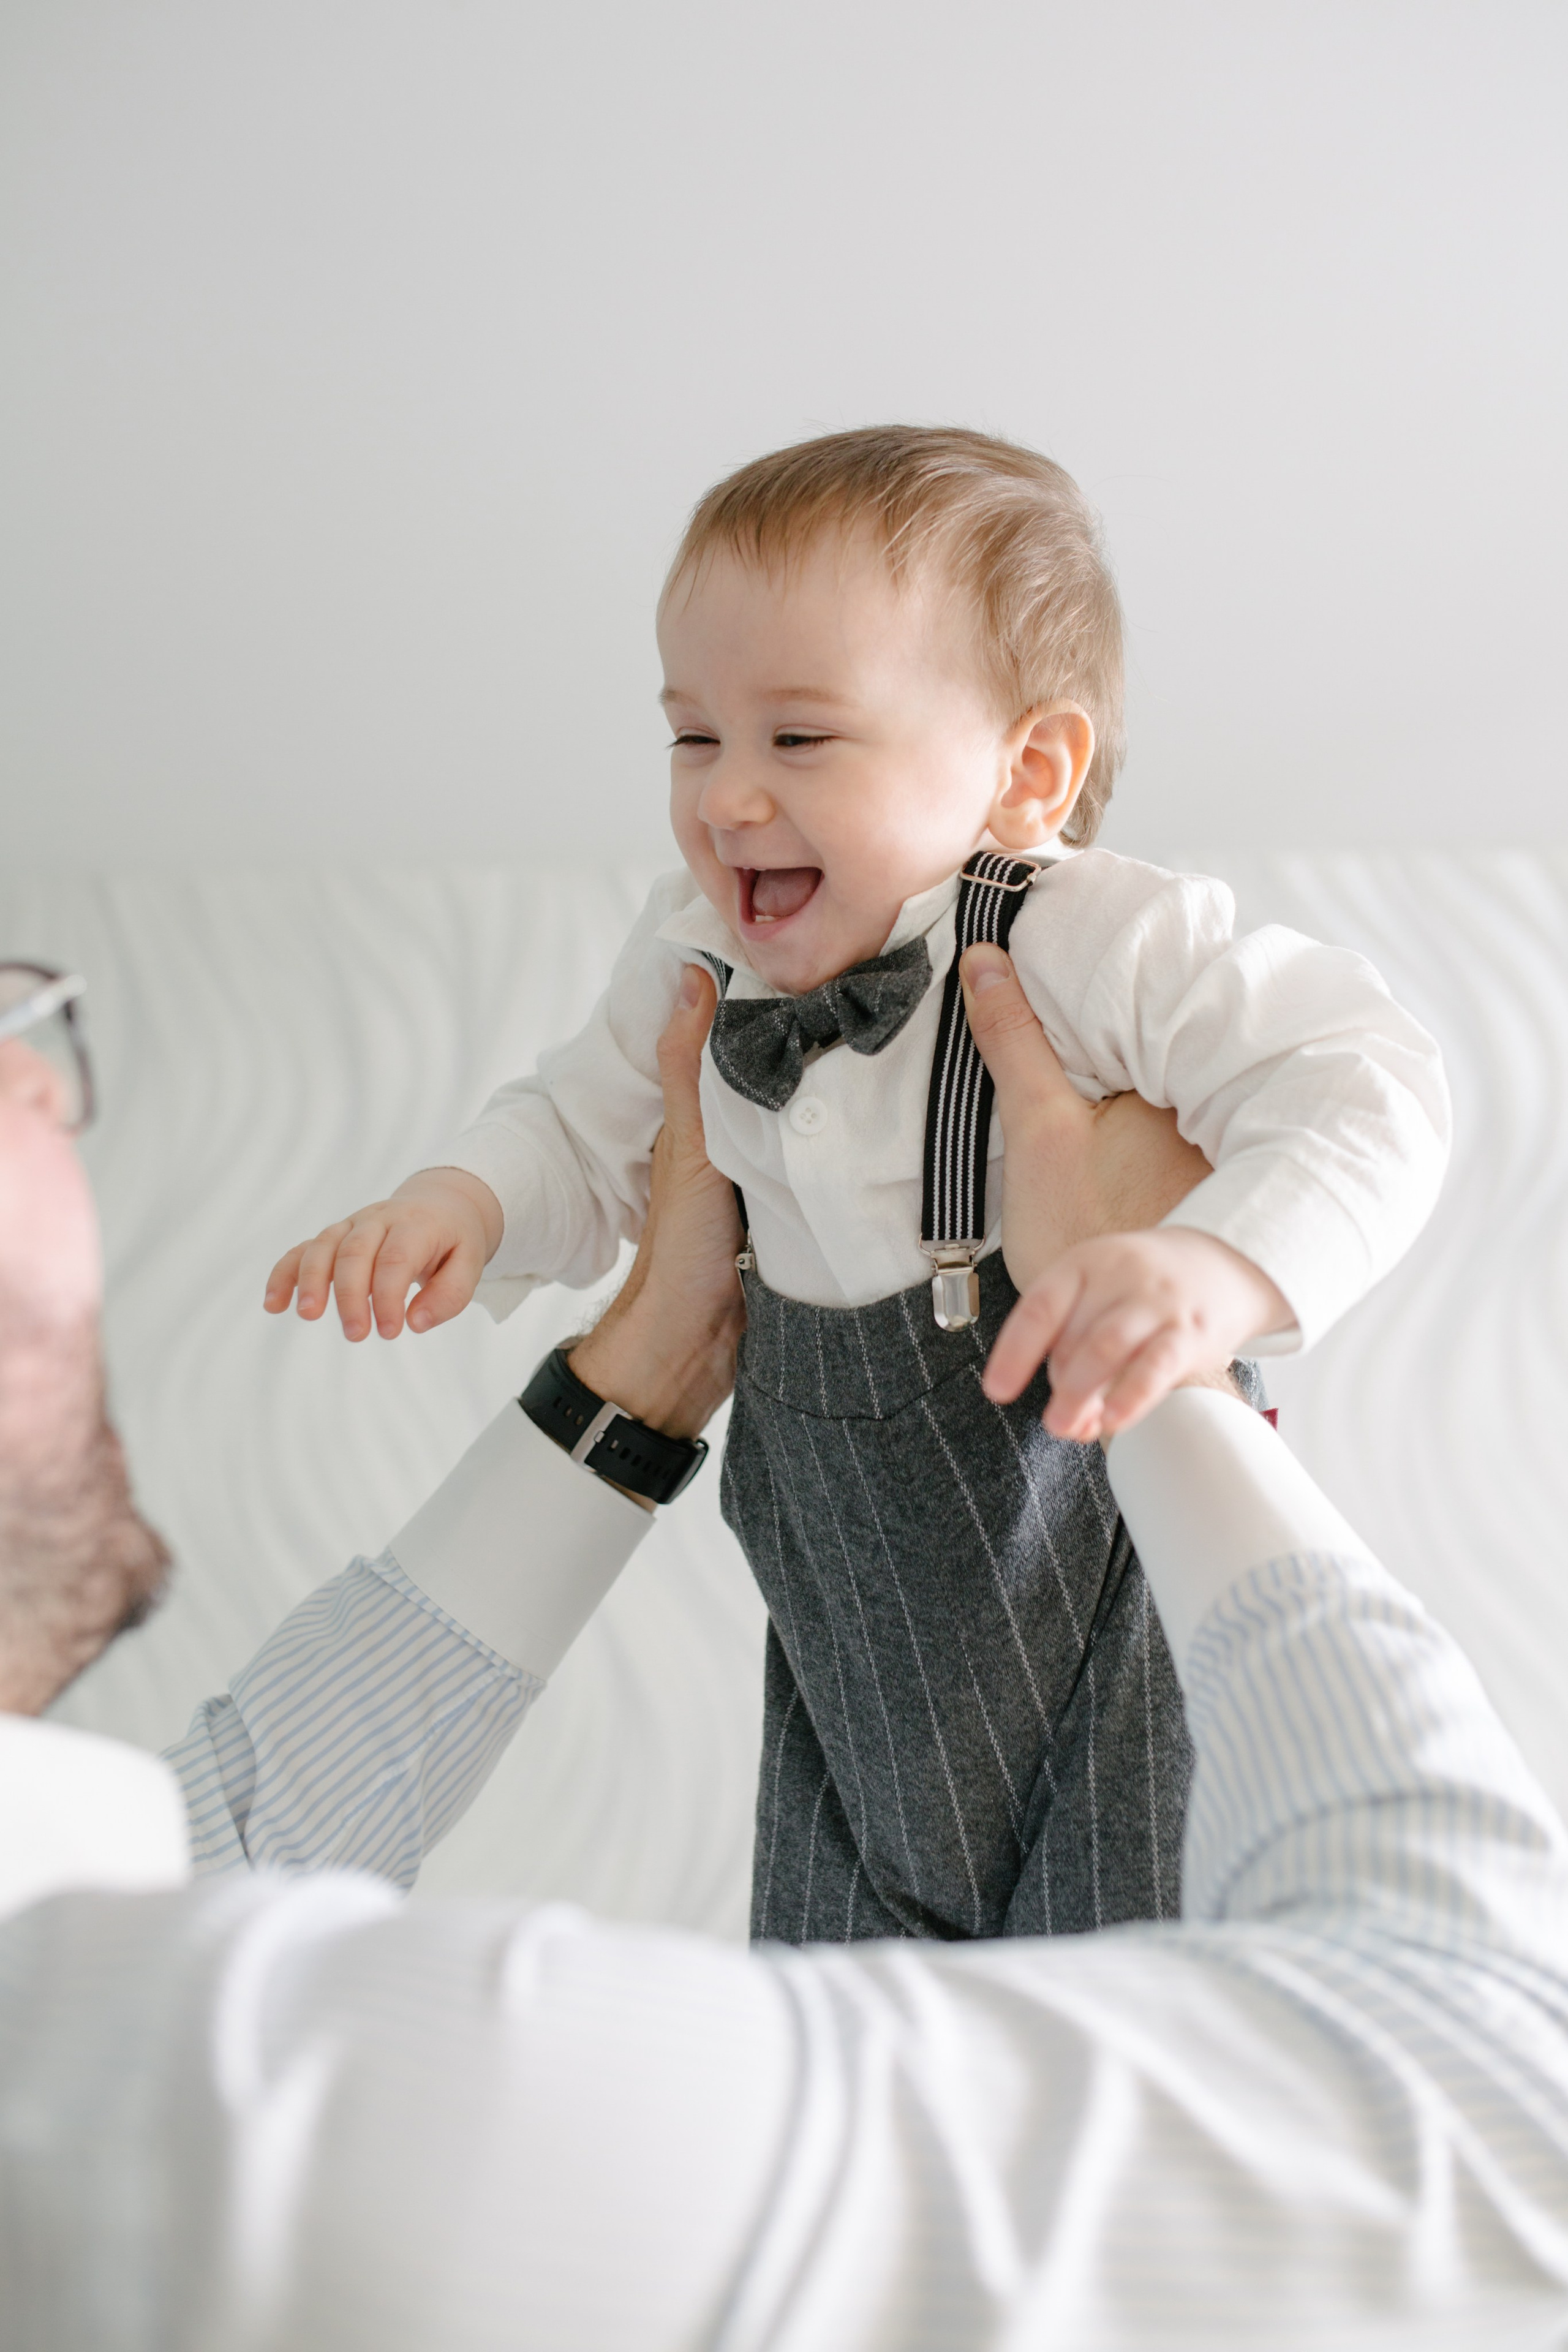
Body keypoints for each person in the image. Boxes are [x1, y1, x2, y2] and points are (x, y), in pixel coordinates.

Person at [3, 943, 1566, 2348]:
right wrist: (1162, 1369)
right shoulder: (219, 2079)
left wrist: (644, 1376)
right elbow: (1495, 2122)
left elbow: (222, 1845)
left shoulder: (91, 1993)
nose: (34, 1075)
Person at [265, 424, 1452, 1947]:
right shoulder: (689, 947)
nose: (729, 800)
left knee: (1110, 2036)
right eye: (694, 738)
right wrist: (466, 1204)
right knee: (835, 2028)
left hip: (1098, 1623)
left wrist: (1216, 1269)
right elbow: (581, 1129)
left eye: (798, 740)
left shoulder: (1073, 936)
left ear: (1027, 771)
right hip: (848, 1664)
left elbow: (1363, 1075)